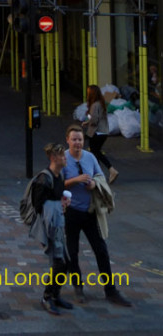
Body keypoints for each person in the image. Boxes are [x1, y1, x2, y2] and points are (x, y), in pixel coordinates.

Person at [62, 124, 131, 306]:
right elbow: (56, 184)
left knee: (101, 250)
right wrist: (75, 180)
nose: (77, 142)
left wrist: (93, 184)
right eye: (74, 139)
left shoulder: (90, 157)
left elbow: (101, 177)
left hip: (90, 211)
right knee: (73, 252)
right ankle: (78, 288)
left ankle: (111, 290)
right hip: (71, 213)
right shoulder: (62, 159)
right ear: (67, 140)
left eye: (80, 139)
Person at [32, 142, 73, 315]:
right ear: (54, 158)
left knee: (65, 261)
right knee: (59, 262)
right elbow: (37, 205)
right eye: (63, 155)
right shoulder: (44, 179)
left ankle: (55, 295)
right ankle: (47, 297)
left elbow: (57, 196)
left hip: (58, 221)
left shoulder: (60, 175)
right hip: (50, 225)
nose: (65, 158)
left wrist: (62, 202)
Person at [83, 84, 118, 184]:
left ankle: (109, 170)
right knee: (96, 152)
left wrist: (87, 123)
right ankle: (99, 175)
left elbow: (94, 120)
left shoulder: (94, 105)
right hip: (103, 132)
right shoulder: (101, 103)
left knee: (95, 152)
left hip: (96, 132)